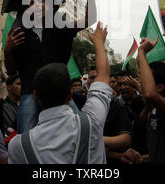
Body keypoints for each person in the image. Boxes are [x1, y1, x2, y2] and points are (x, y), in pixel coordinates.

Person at [3, 0, 96, 134]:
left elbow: (89, 19)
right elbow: (11, 71)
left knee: (84, 131)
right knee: (26, 135)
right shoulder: (18, 33)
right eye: (33, 3)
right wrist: (7, 51)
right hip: (30, 92)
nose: (38, 6)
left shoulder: (59, 27)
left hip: (60, 93)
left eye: (42, 2)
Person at [8, 22, 113, 164]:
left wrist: (7, 50)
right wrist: (99, 42)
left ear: (35, 96)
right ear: (70, 95)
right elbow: (104, 76)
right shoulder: (93, 120)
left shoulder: (18, 146)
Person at [128, 37, 165, 164]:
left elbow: (149, 94)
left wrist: (141, 52)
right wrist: (141, 158)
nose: (140, 80)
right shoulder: (149, 110)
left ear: (159, 87)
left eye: (146, 77)